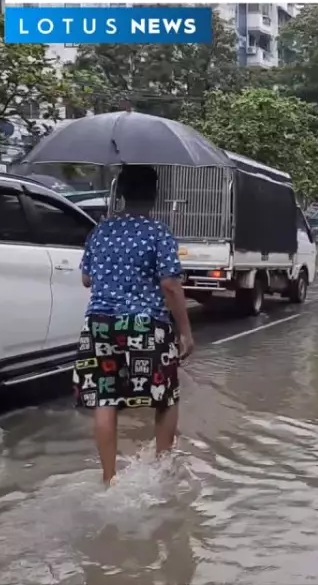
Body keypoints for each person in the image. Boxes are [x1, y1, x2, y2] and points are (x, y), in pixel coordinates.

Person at [77, 165, 194, 485]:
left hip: (100, 324)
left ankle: (109, 478)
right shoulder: (158, 233)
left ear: (122, 194)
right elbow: (170, 284)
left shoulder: (100, 231)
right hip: (146, 325)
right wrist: (185, 331)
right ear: (155, 195)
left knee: (105, 399)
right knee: (165, 396)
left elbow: (87, 279)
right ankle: (162, 469)